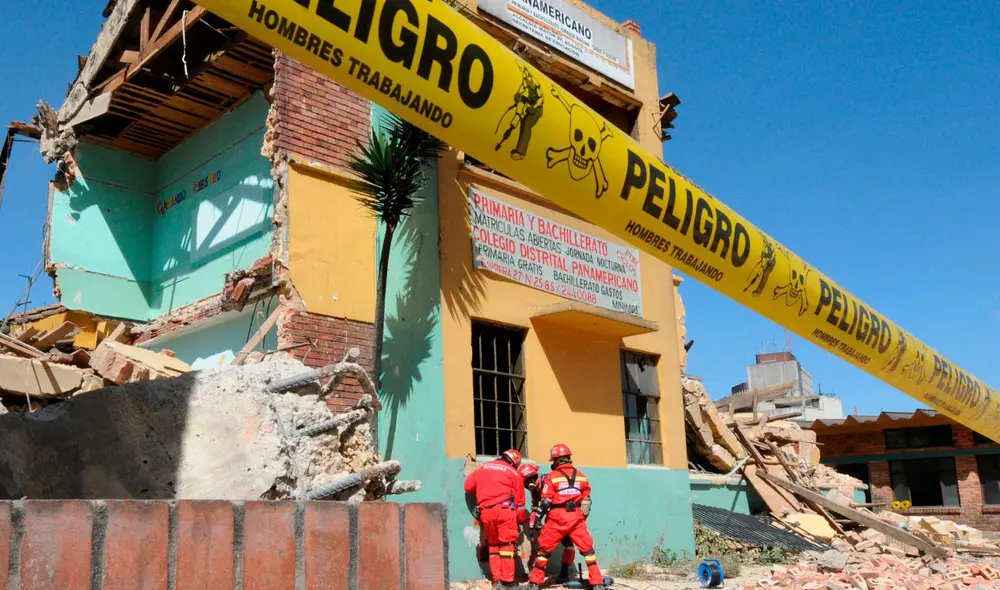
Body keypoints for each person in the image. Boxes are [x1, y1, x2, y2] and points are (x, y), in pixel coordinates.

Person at [527, 444, 604, 590]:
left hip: (557, 518)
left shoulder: (552, 477)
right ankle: (597, 582)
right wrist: (581, 518)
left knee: (544, 550)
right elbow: (587, 500)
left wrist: (537, 518)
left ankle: (534, 583)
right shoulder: (582, 476)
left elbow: (546, 501)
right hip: (576, 518)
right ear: (569, 458)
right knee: (588, 550)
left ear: (556, 460)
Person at [464, 449, 528, 590]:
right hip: (504, 512)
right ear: (514, 463)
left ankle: (497, 580)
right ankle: (508, 582)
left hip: (486, 512)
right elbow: (520, 503)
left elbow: (468, 486)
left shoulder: (483, 468)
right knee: (507, 545)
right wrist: (520, 520)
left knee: (493, 545)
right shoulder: (513, 473)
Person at [519, 463, 577, 582]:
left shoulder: (549, 480)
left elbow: (547, 503)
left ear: (533, 478)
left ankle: (564, 572)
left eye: (527, 482)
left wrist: (538, 518)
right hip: (553, 518)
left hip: (567, 514)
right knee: (546, 546)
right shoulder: (535, 490)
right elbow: (535, 507)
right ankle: (538, 575)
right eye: (525, 483)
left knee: (568, 543)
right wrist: (532, 524)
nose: (528, 486)